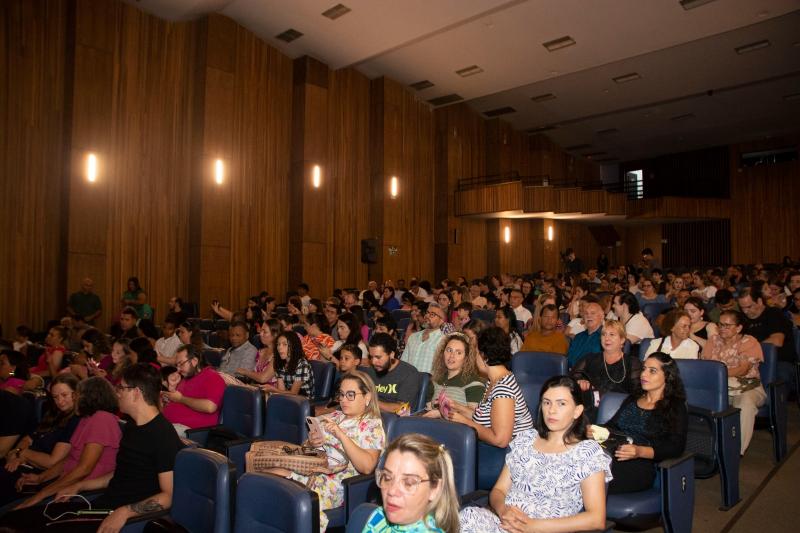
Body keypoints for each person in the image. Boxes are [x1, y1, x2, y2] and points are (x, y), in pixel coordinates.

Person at [0, 364, 185, 533]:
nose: (117, 392)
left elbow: (168, 495)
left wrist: (126, 512)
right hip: (102, 504)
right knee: (13, 519)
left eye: (121, 388)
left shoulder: (162, 434)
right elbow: (118, 475)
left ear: (136, 393)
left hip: (118, 514)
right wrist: (80, 485)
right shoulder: (132, 427)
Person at [459, 376, 610, 533]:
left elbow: (596, 519)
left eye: (561, 403)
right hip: (504, 523)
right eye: (546, 402)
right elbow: (499, 491)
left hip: (544, 529)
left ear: (577, 411)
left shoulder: (587, 453)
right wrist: (503, 511)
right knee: (465, 518)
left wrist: (532, 526)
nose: (551, 410)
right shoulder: (525, 440)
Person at [268, 371, 384, 531]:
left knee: (280, 488)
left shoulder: (372, 425)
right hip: (313, 467)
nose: (343, 399)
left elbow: (367, 467)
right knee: (268, 477)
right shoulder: (336, 415)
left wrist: (341, 435)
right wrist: (312, 442)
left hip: (337, 481)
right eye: (341, 394)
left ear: (367, 397)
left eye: (350, 395)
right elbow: (305, 447)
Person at [4, 377, 121, 511]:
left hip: (82, 494)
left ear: (90, 397)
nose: (74, 399)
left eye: (76, 395)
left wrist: (39, 495)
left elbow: (84, 469)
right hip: (65, 485)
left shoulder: (101, 419)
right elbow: (69, 458)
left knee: (13, 513)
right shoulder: (87, 418)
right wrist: (41, 478)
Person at [592, 352, 688, 493]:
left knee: (588, 476)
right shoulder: (634, 398)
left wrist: (639, 451)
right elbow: (612, 427)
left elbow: (676, 447)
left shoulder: (675, 406)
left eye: (652, 371)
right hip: (613, 453)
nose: (644, 374)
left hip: (639, 466)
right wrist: (594, 430)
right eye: (644, 368)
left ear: (667, 376)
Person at [0, 374, 79, 506]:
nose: (60, 401)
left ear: (76, 394)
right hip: (25, 463)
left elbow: (52, 461)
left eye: (64, 395)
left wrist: (23, 454)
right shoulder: (54, 414)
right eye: (55, 397)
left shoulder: (76, 420)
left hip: (41, 476)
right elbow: (28, 438)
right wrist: (17, 452)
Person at [446, 327, 533, 447]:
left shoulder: (503, 389)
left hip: (512, 455)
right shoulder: (494, 381)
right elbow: (484, 418)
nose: (474, 357)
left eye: (476, 353)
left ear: (484, 356)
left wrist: (465, 422)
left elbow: (500, 440)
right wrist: (456, 407)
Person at [365, 433, 460, 533]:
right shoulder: (378, 517)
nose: (392, 491)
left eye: (408, 483)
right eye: (387, 478)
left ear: (434, 489)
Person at [701, 310, 766, 454]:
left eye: (727, 325)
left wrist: (717, 373)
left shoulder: (749, 342)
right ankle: (704, 447)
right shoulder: (713, 341)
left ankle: (735, 451)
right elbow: (705, 365)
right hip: (719, 387)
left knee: (745, 403)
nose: (722, 328)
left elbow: (742, 370)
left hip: (748, 387)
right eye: (720, 325)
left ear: (739, 328)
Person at [571, 320, 643, 421]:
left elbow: (638, 393)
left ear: (622, 339)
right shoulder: (590, 358)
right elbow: (573, 376)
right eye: (604, 334)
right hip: (588, 409)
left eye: (612, 334)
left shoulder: (633, 363)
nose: (607, 338)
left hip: (618, 412)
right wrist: (580, 381)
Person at [737, 287, 797, 393]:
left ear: (759, 301)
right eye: (742, 308)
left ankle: (775, 407)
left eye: (749, 307)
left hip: (780, 360)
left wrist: (751, 348)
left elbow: (777, 341)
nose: (745, 311)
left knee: (777, 379)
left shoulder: (773, 313)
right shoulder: (743, 319)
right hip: (753, 360)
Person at [162, 344, 225, 437]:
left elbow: (210, 407)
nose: (178, 369)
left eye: (181, 364)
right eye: (177, 365)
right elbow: (176, 401)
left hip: (193, 432)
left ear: (194, 361)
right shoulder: (186, 378)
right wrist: (170, 392)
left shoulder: (212, 377)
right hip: (172, 425)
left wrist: (180, 399)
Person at [422, 333, 484, 417]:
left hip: (458, 429)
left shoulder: (474, 382)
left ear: (466, 358)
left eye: (458, 352)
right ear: (442, 353)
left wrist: (442, 413)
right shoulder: (435, 380)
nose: (451, 356)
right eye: (449, 350)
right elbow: (429, 410)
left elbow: (474, 416)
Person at [367, 333, 420, 414]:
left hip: (394, 422)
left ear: (392, 354)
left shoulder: (409, 373)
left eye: (378, 357)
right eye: (371, 357)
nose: (373, 362)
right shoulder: (370, 371)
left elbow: (403, 409)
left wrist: (371, 402)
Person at [258, 331, 314, 398]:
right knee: (265, 397)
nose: (280, 348)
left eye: (284, 344)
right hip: (288, 398)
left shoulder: (302, 364)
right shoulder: (279, 363)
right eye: (278, 344)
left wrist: (273, 390)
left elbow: (294, 393)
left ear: (294, 346)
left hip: (303, 401)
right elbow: (282, 390)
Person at [402, 303, 446, 374]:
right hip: (409, 382)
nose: (427, 316)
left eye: (432, 314)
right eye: (427, 312)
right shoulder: (413, 337)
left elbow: (441, 369)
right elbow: (403, 363)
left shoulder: (443, 340)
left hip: (428, 383)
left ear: (441, 320)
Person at [235, 319, 280, 386]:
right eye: (261, 330)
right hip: (256, 390)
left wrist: (245, 372)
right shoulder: (260, 352)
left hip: (271, 394)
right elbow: (253, 376)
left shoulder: (278, 355)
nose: (261, 334)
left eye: (264, 332)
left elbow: (263, 378)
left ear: (275, 335)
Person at [566, 302, 604, 368]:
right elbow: (569, 360)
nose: (589, 316)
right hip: (573, 373)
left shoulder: (606, 337)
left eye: (593, 313)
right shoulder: (578, 337)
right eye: (586, 313)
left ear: (601, 316)